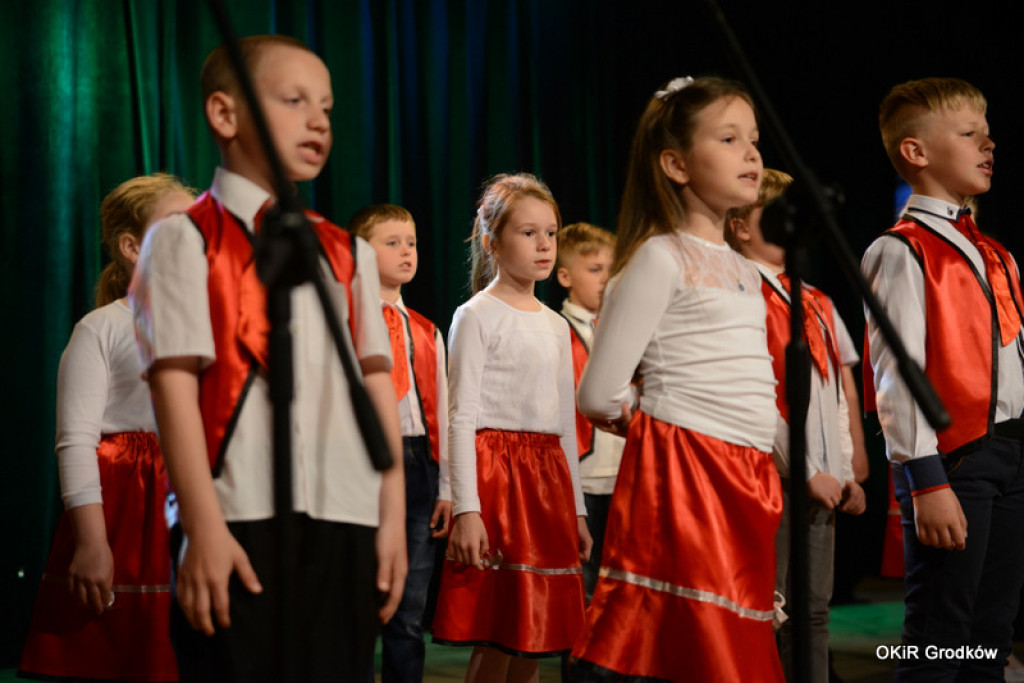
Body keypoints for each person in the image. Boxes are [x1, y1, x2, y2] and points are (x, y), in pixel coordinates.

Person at [129, 35, 406, 682]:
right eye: (293, 100)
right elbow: (175, 388)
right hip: (237, 513)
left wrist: (390, 517)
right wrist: (200, 525)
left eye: (329, 108)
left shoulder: (346, 252)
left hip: (344, 514)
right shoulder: (184, 238)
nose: (318, 120)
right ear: (224, 115)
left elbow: (375, 385)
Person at [570, 75, 784, 682]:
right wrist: (658, 411)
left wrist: (800, 457)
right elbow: (597, 392)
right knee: (698, 643)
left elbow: (754, 387)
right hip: (686, 467)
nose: (751, 153)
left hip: (749, 474)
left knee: (735, 631)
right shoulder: (659, 257)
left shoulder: (744, 271)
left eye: (754, 139)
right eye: (728, 138)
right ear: (676, 163)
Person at [862, 76, 1024, 681]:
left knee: (992, 630)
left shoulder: (995, 252)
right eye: (969, 133)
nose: (988, 144)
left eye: (988, 133)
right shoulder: (903, 249)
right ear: (916, 152)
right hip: (953, 462)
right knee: (940, 631)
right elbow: (896, 373)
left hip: (1010, 452)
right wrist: (925, 478)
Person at [19, 174, 195, 683]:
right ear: (133, 246)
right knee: (121, 652)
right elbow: (76, 440)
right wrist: (92, 544)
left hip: (197, 499)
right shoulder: (103, 328)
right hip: (128, 510)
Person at [432, 173, 592, 682]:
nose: (544, 245)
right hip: (498, 481)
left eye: (551, 233)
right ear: (492, 242)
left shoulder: (556, 324)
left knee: (537, 633)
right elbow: (461, 417)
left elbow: (565, 423)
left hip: (546, 484)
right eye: (528, 233)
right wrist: (467, 509)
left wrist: (579, 509)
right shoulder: (476, 315)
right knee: (501, 630)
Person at [725, 167, 866, 682]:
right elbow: (760, 401)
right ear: (740, 226)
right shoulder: (739, 291)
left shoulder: (810, 299)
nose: (792, 226)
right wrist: (806, 470)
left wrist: (844, 468)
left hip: (821, 483)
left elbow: (833, 400)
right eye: (777, 214)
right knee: (768, 609)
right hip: (770, 478)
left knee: (813, 613)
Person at [347, 203, 451, 683]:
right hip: (362, 464)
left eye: (410, 242)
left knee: (409, 607)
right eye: (392, 243)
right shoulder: (346, 324)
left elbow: (445, 412)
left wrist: (448, 486)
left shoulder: (428, 330)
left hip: (419, 464)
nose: (406, 251)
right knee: (358, 597)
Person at [554, 221, 625, 602]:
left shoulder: (623, 329)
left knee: (620, 585)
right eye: (594, 269)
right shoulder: (555, 331)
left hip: (626, 473)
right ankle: (579, 663)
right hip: (580, 478)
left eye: (611, 269)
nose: (605, 279)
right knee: (583, 583)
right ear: (564, 275)